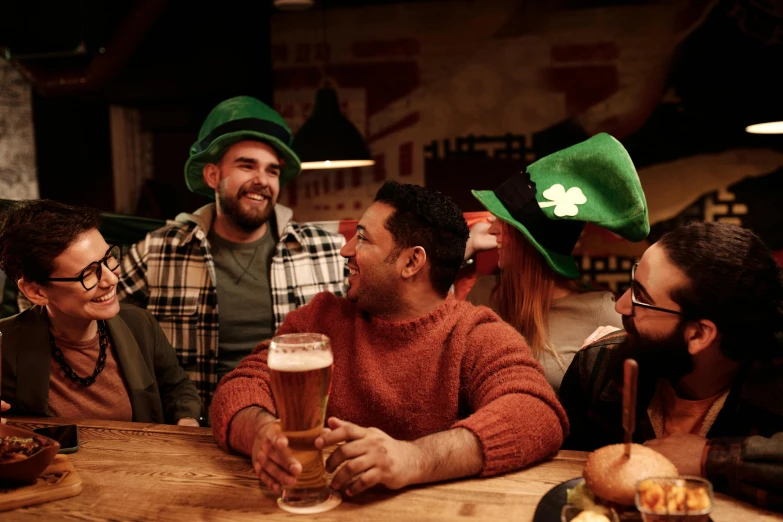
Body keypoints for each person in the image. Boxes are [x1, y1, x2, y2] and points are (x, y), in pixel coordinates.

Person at [210, 181, 569, 497]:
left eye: (362, 237)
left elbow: (537, 413)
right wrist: (259, 431)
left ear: (412, 262)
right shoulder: (321, 319)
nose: (345, 250)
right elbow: (240, 386)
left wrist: (415, 458)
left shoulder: (475, 334)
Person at [117, 96, 347, 421]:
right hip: (193, 434)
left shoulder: (325, 250)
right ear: (212, 176)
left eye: (272, 170)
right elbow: (91, 316)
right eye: (246, 165)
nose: (262, 181)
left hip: (298, 425)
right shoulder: (158, 251)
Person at [559, 221, 783, 510]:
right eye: (632, 283)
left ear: (699, 334)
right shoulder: (598, 367)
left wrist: (709, 459)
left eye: (642, 296)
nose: (622, 306)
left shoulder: (773, 380)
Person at [466, 133, 649, 392]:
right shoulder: (483, 294)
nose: (493, 229)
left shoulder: (603, 316)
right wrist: (463, 250)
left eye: (505, 223)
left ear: (530, 244)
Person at [0, 200, 201, 425]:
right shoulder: (5, 345)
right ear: (36, 291)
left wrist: (186, 418)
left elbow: (177, 387)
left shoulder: (139, 324)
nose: (111, 279)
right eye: (88, 274)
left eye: (109, 259)